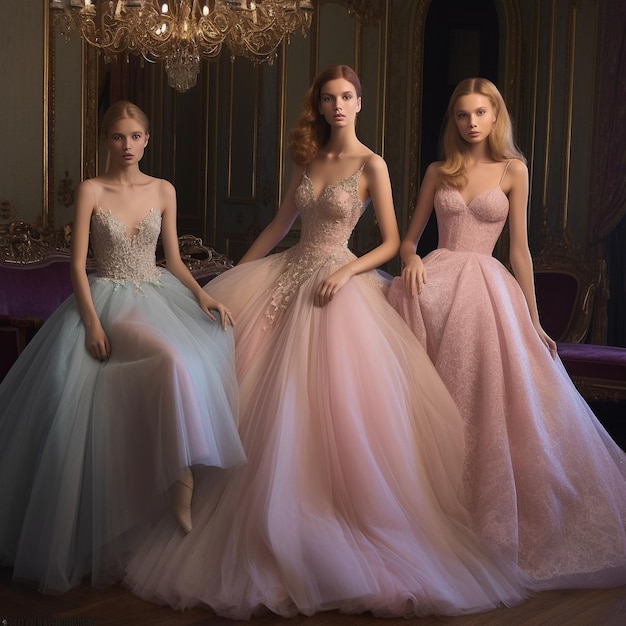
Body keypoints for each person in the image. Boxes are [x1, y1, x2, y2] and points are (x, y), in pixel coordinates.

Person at [124, 65, 534, 619]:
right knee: (254, 390)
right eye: (327, 99)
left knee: (329, 405)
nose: (337, 106)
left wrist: (346, 273)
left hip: (340, 282)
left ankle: (332, 518)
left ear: (360, 103)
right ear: (317, 106)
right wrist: (221, 288)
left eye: (346, 97)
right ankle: (240, 512)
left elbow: (392, 242)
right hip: (288, 274)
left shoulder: (373, 165)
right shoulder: (309, 162)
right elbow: (276, 227)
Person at [388, 77, 626, 588]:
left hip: (486, 290)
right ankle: (424, 509)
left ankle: (484, 514)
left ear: (496, 117)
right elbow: (409, 241)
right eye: (461, 114)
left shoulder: (514, 170)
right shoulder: (438, 171)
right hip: (436, 285)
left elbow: (518, 250)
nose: (471, 122)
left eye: (480, 113)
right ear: (453, 120)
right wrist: (410, 262)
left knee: (486, 398)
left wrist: (535, 320)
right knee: (433, 397)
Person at [0, 101, 246, 594]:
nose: (127, 146)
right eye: (118, 137)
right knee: (173, 359)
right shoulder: (92, 190)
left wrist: (203, 295)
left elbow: (174, 258)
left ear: (147, 140)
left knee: (190, 356)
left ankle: (176, 475)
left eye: (135, 136)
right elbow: (76, 267)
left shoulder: (163, 190)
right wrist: (91, 323)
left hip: (157, 292)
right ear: (105, 141)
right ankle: (179, 479)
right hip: (108, 299)